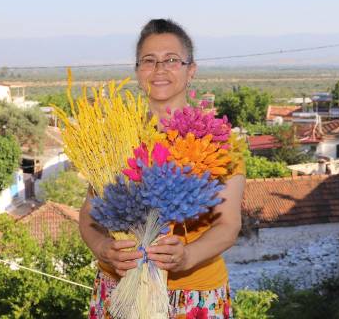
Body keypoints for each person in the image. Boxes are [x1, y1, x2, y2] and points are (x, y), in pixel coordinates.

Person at [79, 19, 245, 319]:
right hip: (119, 293)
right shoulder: (115, 139)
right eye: (149, 61)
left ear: (190, 69)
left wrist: (187, 256)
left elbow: (228, 225)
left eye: (172, 60)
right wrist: (104, 248)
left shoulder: (220, 142)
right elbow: (90, 216)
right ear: (137, 70)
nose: (159, 69)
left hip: (195, 297)